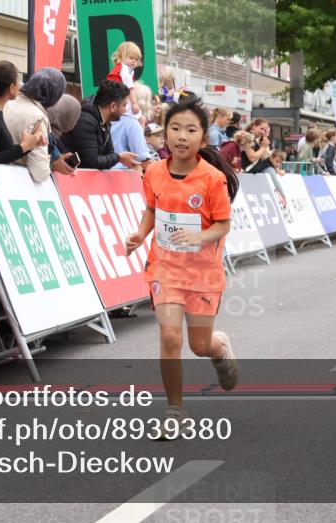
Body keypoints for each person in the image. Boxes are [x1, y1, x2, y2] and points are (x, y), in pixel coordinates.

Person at [124, 98, 240, 435]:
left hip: (202, 272)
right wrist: (139, 234)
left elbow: (223, 225)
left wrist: (199, 236)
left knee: (199, 346)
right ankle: (175, 410)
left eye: (191, 130)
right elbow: (151, 209)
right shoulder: (154, 172)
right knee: (170, 336)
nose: (181, 136)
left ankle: (220, 350)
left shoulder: (212, 179)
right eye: (175, 128)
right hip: (165, 267)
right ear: (165, 133)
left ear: (203, 139)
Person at [3, 67, 66, 182]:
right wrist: (51, 164)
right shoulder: (38, 118)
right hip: (15, 184)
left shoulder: (7, 102)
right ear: (54, 94)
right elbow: (40, 173)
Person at [63, 79, 141, 170]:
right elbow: (91, 162)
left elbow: (109, 153)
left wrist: (117, 158)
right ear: (113, 106)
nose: (125, 110)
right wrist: (119, 158)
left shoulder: (105, 121)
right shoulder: (85, 121)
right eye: (124, 105)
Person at [46, 94, 82, 176]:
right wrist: (53, 166)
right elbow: (35, 164)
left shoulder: (52, 136)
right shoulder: (45, 134)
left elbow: (54, 155)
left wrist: (63, 161)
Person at [106, 41, 142, 118]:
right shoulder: (124, 69)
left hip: (114, 97)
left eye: (136, 59)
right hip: (118, 97)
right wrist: (134, 104)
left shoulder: (121, 68)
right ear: (122, 56)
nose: (134, 61)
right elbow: (130, 89)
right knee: (140, 118)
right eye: (131, 58)